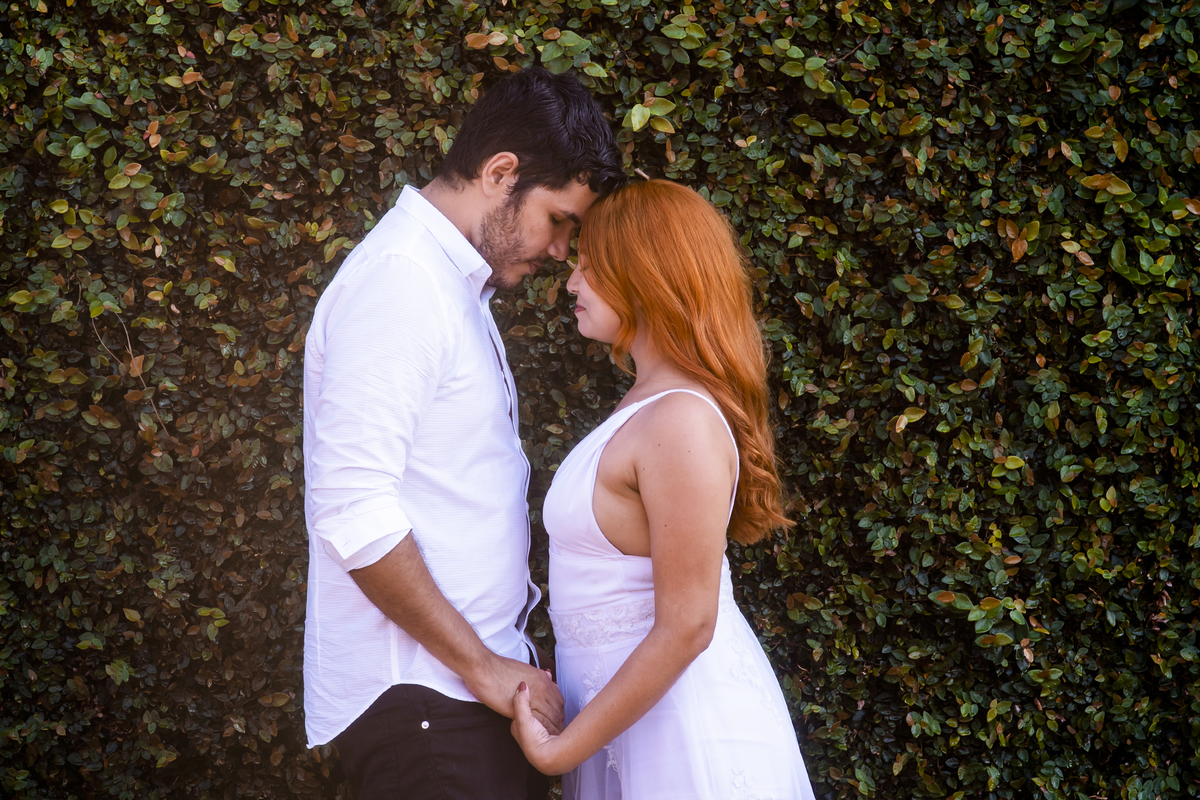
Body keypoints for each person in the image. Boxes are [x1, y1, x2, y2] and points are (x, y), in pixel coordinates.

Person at [301, 67, 624, 800]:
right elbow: (352, 510)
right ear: (500, 172)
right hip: (428, 705)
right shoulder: (402, 283)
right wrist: (481, 665)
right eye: (559, 219)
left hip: (454, 702)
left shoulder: (447, 286)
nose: (559, 251)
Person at [509, 180, 817, 799]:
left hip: (684, 738)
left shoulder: (679, 419)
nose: (570, 284)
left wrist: (558, 753)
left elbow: (688, 624)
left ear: (646, 277)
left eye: (590, 269)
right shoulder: (647, 408)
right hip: (630, 731)